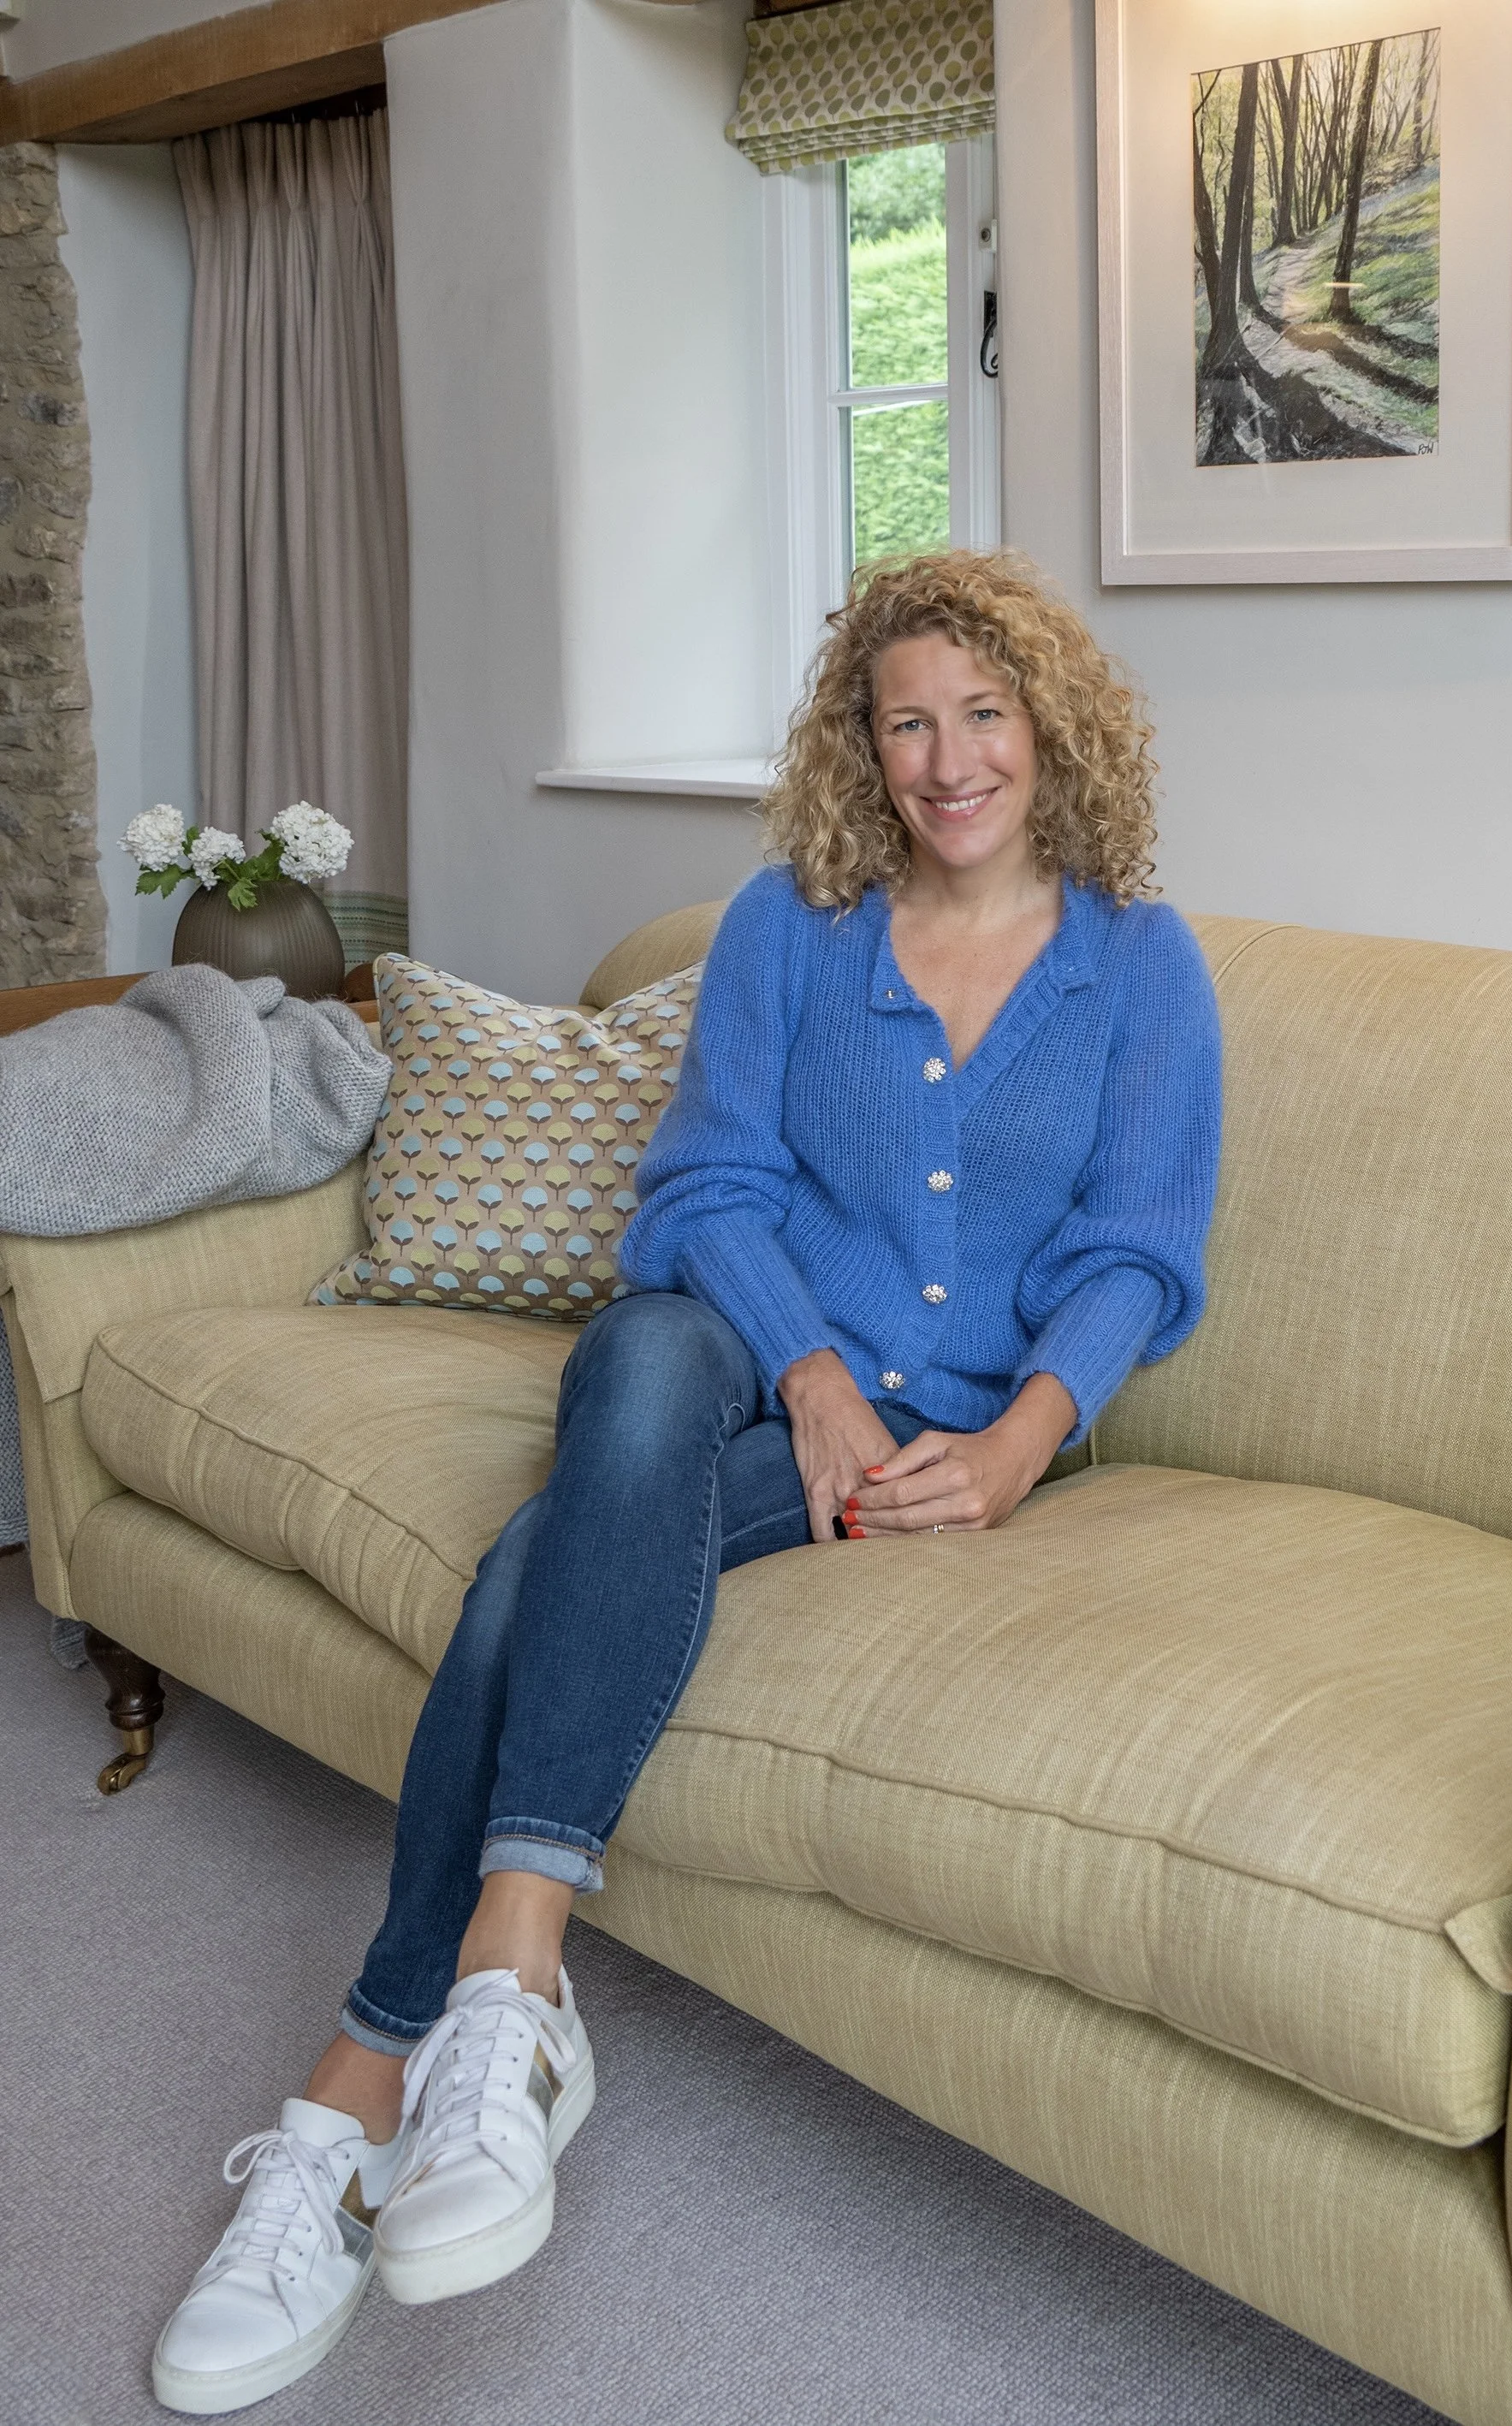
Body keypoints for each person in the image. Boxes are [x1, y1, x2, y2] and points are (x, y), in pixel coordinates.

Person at [151, 550, 1221, 2413]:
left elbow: (1142, 1249)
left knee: (544, 1559)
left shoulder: (1143, 961)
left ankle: (356, 2082)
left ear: (1051, 730)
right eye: (907, 719)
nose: (949, 757)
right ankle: (512, 1982)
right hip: (750, 1345)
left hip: (964, 1414)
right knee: (641, 1355)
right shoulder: (790, 923)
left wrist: (1027, 1436)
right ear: (861, 745)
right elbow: (704, 1192)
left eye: (984, 713)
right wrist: (805, 1370)